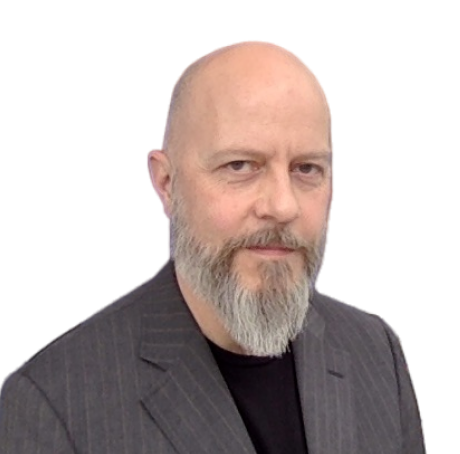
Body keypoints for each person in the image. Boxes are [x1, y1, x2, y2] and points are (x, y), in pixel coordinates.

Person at [0, 40, 426, 453]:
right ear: (166, 182)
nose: (283, 206)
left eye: (307, 169)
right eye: (240, 165)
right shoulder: (53, 403)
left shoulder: (377, 351)